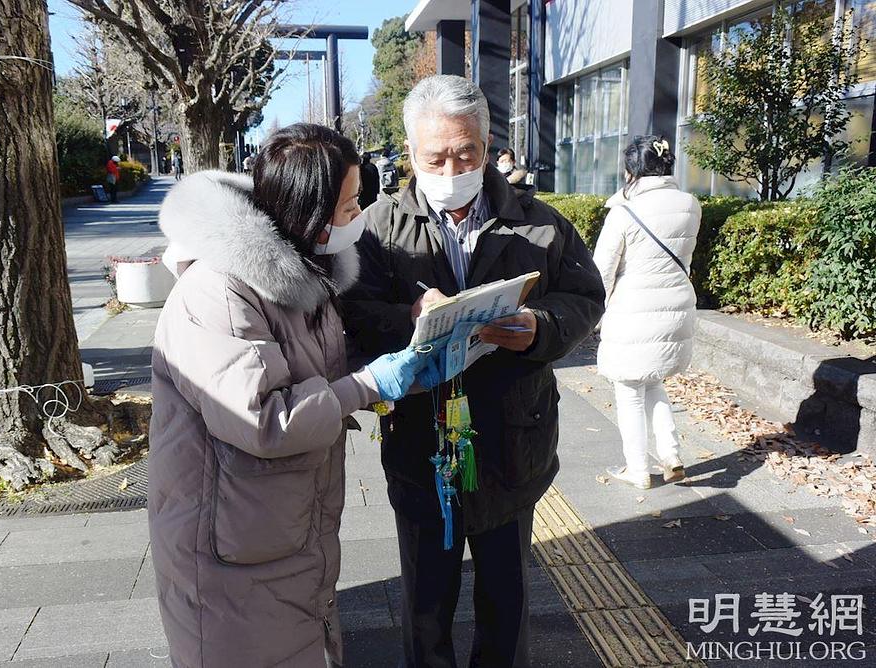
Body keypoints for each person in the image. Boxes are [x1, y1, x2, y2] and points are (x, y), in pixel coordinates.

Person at [343, 75, 605, 667]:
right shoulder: (377, 229)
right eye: (435, 157)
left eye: (466, 153)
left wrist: (540, 326)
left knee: (506, 599)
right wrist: (408, 316)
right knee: (425, 602)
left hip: (514, 439)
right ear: (410, 153)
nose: (452, 169)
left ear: (487, 146)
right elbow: (352, 314)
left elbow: (586, 297)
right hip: (421, 441)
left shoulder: (541, 224)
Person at [148, 122, 428, 668]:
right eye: (348, 205)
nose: (358, 216)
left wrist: (402, 357)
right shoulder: (219, 291)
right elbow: (263, 419)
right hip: (231, 547)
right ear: (309, 212)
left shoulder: (302, 276)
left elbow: (313, 367)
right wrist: (368, 385)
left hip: (282, 529)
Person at [593, 136, 701, 489]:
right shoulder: (690, 205)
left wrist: (594, 314)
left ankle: (637, 468)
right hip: (676, 305)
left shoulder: (624, 212)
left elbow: (602, 271)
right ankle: (671, 456)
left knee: (628, 389)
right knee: (653, 380)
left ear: (632, 171)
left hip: (632, 309)